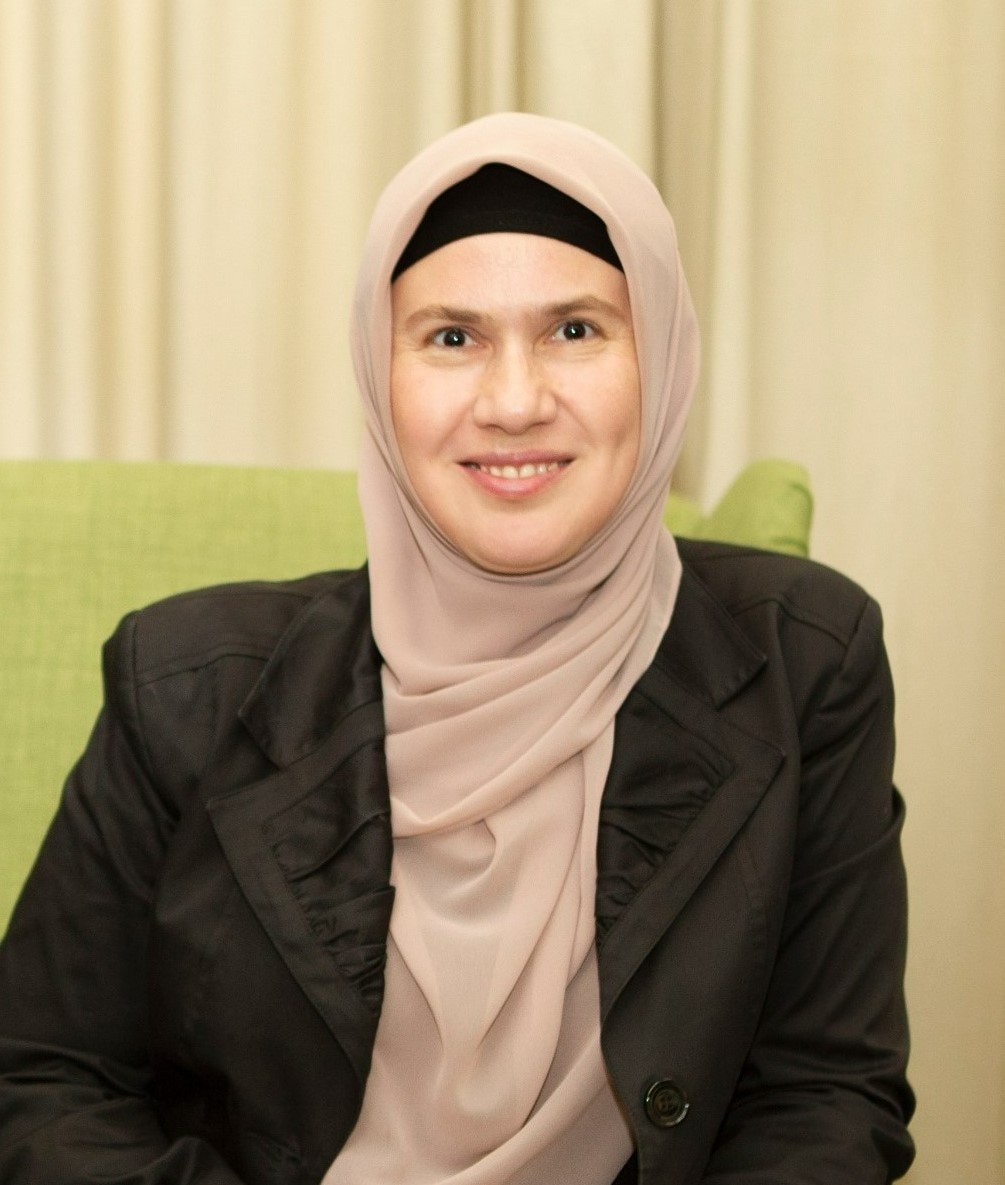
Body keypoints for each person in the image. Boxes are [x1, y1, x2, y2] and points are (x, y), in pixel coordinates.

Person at [0, 112, 914, 1184]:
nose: (515, 401)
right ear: (378, 377)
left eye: (576, 329)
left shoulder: (806, 662)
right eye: (451, 336)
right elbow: (43, 1079)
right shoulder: (183, 686)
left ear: (660, 358)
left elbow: (826, 1102)